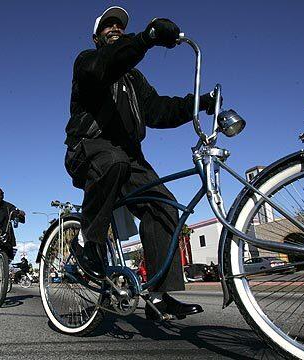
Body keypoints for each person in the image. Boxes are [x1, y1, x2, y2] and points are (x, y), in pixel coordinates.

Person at [65, 6, 217, 320]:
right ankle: (87, 246)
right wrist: (147, 38)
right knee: (114, 161)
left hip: (129, 157)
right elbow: (103, 67)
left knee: (164, 205)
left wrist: (197, 103)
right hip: (88, 148)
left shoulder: (134, 79)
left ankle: (158, 295)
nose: (115, 28)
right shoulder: (88, 61)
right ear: (96, 37)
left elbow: (158, 110)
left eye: (119, 25)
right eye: (108, 26)